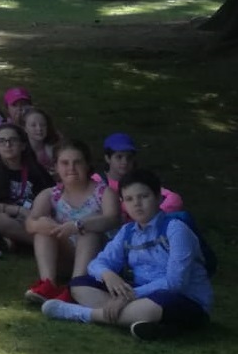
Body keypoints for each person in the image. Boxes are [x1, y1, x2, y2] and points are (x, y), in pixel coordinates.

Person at [41, 170, 212, 340]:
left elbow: (175, 282)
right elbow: (97, 264)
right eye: (129, 199)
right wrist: (107, 274)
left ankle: (82, 313)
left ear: (158, 198)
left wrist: (129, 296)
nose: (137, 204)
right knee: (79, 284)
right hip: (138, 294)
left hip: (181, 299)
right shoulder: (128, 231)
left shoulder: (176, 229)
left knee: (162, 302)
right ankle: (137, 319)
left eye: (143, 196)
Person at [25, 140, 120, 304]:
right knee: (42, 228)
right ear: (55, 166)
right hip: (67, 255)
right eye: (65, 163)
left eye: (77, 162)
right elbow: (30, 224)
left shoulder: (104, 193)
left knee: (88, 232)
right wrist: (45, 225)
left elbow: (112, 219)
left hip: (99, 258)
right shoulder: (50, 194)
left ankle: (77, 286)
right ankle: (48, 284)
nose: (71, 168)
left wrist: (79, 225)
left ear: (87, 165)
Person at [0, 123, 54, 253]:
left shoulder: (35, 169)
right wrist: (19, 211)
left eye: (12, 140)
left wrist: (35, 214)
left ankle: (19, 241)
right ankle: (46, 243)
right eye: (2, 141)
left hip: (34, 216)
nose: (8, 145)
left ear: (23, 145)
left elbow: (51, 195)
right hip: (9, 217)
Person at [96, 132, 182, 220]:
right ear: (107, 158)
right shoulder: (97, 180)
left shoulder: (139, 180)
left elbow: (174, 199)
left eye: (129, 157)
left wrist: (149, 213)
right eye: (119, 157)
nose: (125, 162)